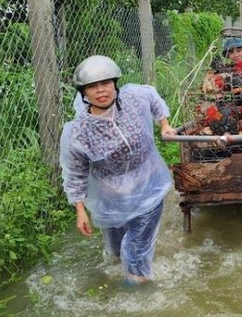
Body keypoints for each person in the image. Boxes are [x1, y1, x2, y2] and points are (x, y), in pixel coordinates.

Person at [59, 55, 176, 284]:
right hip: (111, 196)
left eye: (106, 83)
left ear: (115, 84)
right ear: (84, 93)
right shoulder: (78, 132)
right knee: (114, 251)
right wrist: (80, 210)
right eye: (92, 86)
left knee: (134, 252)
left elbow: (154, 99)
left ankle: (135, 292)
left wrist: (165, 124)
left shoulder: (134, 98)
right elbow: (75, 173)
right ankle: (124, 271)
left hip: (147, 186)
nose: (101, 90)